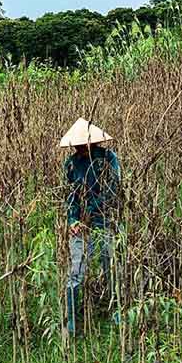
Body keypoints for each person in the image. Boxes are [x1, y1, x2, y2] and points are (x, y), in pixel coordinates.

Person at [59, 118, 121, 335]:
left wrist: (92, 213)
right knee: (76, 271)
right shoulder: (71, 164)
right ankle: (71, 322)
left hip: (103, 220)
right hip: (80, 224)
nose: (78, 148)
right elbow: (70, 196)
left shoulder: (108, 159)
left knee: (109, 264)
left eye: (81, 144)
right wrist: (74, 220)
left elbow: (113, 190)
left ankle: (116, 311)